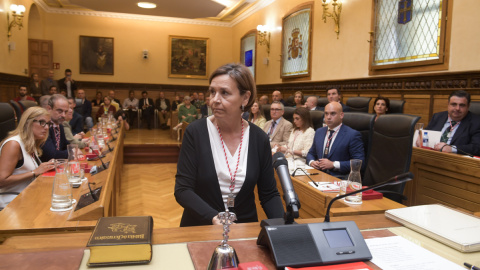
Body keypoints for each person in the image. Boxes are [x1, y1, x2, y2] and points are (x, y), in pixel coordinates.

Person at [175, 63, 284, 227]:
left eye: (224, 93)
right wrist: (213, 217)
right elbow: (183, 190)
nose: (215, 100)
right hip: (200, 226)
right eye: (212, 92)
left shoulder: (258, 138)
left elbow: (269, 194)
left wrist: (284, 227)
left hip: (244, 229)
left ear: (245, 98)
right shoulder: (195, 132)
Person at [0, 107, 55, 209]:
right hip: (10, 205)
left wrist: (46, 167)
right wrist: (35, 172)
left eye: (48, 124)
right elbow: (2, 180)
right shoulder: (13, 144)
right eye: (42, 122)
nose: (47, 127)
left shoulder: (30, 143)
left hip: (27, 197)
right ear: (27, 123)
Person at [306, 102, 364, 177]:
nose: (328, 117)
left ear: (341, 115)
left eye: (333, 114)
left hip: (338, 178)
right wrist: (312, 162)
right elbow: (311, 153)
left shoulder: (352, 135)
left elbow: (359, 163)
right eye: (326, 114)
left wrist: (333, 164)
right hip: (318, 174)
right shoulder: (319, 132)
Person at [424, 90, 480, 156]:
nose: (457, 108)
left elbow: (477, 147)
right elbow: (426, 134)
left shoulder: (476, 122)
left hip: (456, 161)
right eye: (454, 104)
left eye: (462, 105)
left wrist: (452, 149)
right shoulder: (438, 117)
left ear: (468, 106)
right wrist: (420, 139)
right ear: (448, 104)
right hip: (430, 156)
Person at [40, 94, 73, 162]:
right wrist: (72, 152)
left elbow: (66, 145)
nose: (63, 115)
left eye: (66, 112)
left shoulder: (59, 125)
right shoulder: (44, 126)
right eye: (60, 111)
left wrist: (72, 149)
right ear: (49, 108)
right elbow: (52, 155)